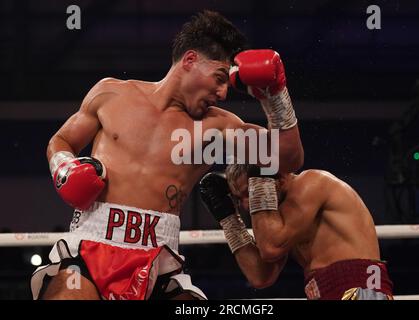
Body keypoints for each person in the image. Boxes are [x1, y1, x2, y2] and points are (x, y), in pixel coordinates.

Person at [31, 10, 304, 300]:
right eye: (220, 78)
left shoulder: (217, 127)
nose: (223, 93)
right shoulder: (111, 94)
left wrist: (277, 96)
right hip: (89, 248)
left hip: (159, 262)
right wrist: (65, 168)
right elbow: (61, 140)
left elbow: (288, 157)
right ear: (189, 61)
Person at [199, 165, 394, 300]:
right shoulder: (281, 223)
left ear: (279, 178)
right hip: (324, 291)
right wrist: (228, 218)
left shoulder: (313, 182)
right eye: (238, 198)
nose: (245, 205)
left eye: (248, 192)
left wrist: (259, 184)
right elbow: (260, 276)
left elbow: (270, 248)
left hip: (358, 291)